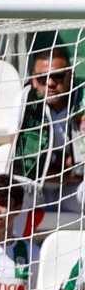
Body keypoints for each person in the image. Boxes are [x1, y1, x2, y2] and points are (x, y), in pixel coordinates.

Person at [10, 47, 85, 216]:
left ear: (70, 76)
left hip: (71, 191)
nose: (50, 83)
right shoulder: (25, 101)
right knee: (15, 190)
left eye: (57, 76)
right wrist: (65, 165)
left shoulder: (82, 100)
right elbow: (24, 161)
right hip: (35, 188)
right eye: (43, 78)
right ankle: (17, 241)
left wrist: (51, 162)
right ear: (34, 80)